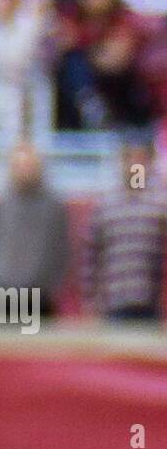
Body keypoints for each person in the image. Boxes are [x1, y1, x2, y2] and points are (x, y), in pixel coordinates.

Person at [0, 144, 71, 319]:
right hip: (1, 293)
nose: (24, 171)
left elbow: (62, 250)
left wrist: (50, 287)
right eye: (20, 166)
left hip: (40, 297)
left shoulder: (53, 207)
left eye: (29, 166)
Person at [83, 137, 167, 321]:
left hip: (150, 305)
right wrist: (90, 301)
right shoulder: (105, 205)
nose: (135, 165)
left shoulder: (160, 205)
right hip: (114, 304)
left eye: (141, 159)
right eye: (130, 159)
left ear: (150, 163)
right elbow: (91, 256)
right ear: (122, 163)